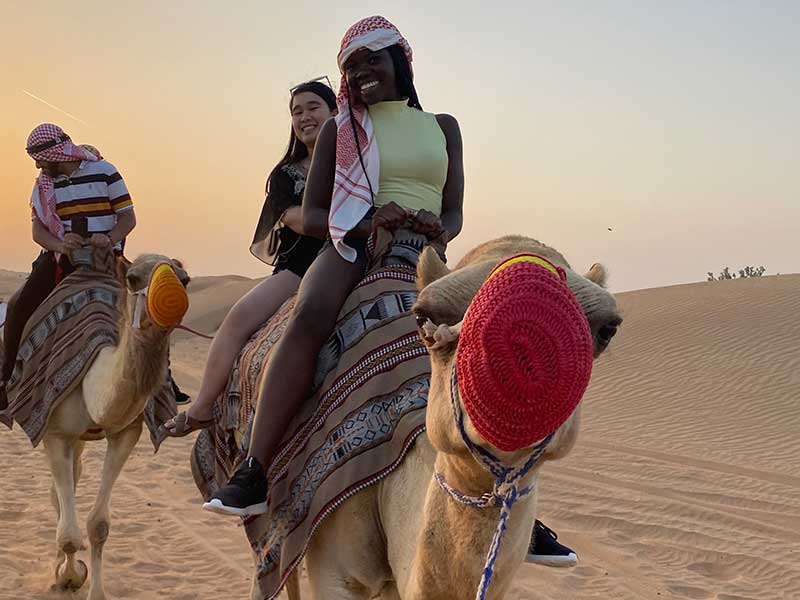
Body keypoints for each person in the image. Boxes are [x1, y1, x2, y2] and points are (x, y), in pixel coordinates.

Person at [204, 16, 464, 516]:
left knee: (483, 340)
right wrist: (367, 221)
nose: (363, 72)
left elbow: (454, 210)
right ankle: (254, 471)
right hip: (354, 246)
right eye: (351, 66)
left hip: (425, 252)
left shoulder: (443, 128)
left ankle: (506, 494)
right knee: (307, 318)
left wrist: (438, 227)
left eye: (373, 60)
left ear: (400, 63)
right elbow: (319, 213)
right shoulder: (339, 130)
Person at [162, 80, 338, 437]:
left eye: (313, 107)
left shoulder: (360, 166)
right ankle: (203, 406)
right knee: (239, 316)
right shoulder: (285, 175)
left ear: (335, 111)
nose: (304, 117)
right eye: (296, 111)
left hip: (356, 258)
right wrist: (350, 221)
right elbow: (295, 220)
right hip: (301, 269)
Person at [0, 124, 136, 410]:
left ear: (56, 153)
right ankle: (6, 380)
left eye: (40, 158)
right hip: (59, 257)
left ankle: (162, 384)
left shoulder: (105, 171)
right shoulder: (44, 185)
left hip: (105, 257)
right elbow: (38, 232)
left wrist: (108, 238)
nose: (37, 165)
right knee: (17, 306)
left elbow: (127, 218)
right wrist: (61, 244)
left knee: (146, 305)